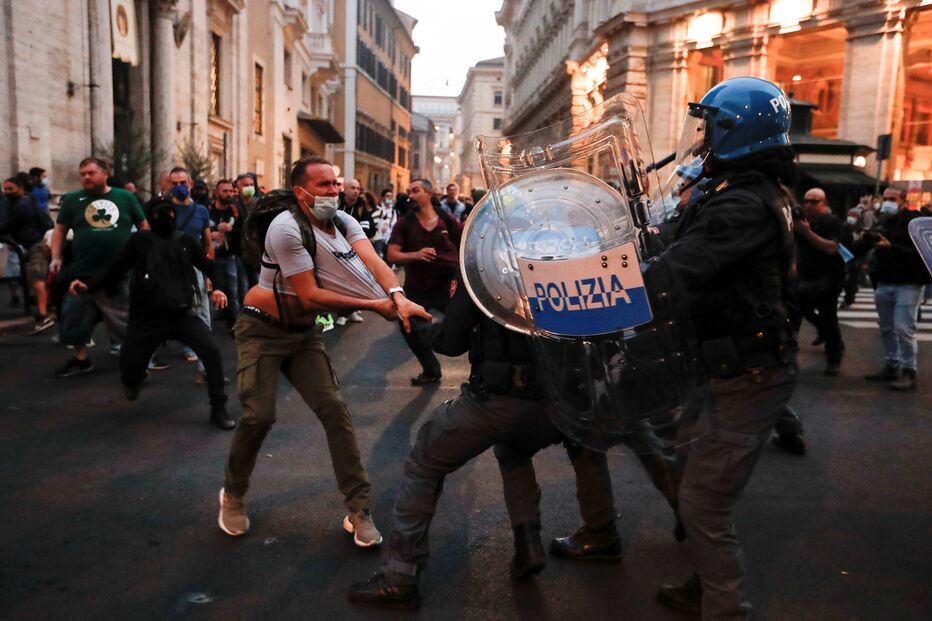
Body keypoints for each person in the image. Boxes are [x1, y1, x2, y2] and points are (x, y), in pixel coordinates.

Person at [348, 270, 619, 610]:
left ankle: (399, 578)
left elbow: (450, 341)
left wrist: (413, 321)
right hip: (566, 399)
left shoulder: (484, 265)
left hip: (501, 399)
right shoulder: (573, 259)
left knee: (424, 461)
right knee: (550, 446)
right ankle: (582, 535)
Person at [217, 155, 430, 545]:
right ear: (300, 193)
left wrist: (397, 296)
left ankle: (358, 509)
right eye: (324, 186)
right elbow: (312, 296)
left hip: (302, 335)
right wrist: (376, 306)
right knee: (259, 415)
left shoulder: (344, 220)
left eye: (335, 183)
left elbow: (374, 263)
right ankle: (233, 493)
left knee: (334, 410)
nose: (334, 191)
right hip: (261, 330)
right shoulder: (285, 229)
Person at [651, 77, 799, 619]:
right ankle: (704, 580)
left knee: (704, 502)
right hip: (719, 364)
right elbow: (671, 244)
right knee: (685, 467)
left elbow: (674, 270)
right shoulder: (738, 193)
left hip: (749, 372)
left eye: (710, 125)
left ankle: (724, 605)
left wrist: (598, 290)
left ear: (738, 130)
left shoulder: (743, 204)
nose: (702, 136)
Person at [67, 199, 235, 429]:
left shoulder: (185, 241)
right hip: (146, 318)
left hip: (181, 315)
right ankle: (132, 382)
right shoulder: (138, 242)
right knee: (131, 368)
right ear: (149, 216)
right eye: (159, 214)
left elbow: (211, 267)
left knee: (212, 354)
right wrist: (89, 286)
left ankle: (219, 409)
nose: (165, 217)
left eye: (169, 213)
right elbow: (115, 270)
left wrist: (218, 287)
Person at [50, 157, 148, 376]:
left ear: (105, 174)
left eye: (91, 173)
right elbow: (60, 230)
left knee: (124, 319)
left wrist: (145, 255)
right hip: (82, 273)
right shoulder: (73, 200)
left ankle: (138, 360)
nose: (86, 177)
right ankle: (80, 359)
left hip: (118, 273)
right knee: (75, 317)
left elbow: (143, 227)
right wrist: (55, 257)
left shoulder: (125, 197)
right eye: (82, 173)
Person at [387, 179, 461, 386]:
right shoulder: (405, 223)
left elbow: (463, 240)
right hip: (418, 287)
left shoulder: (446, 218)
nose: (410, 195)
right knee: (408, 326)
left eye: (415, 191)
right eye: (409, 191)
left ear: (428, 194)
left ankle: (484, 374)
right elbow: (392, 255)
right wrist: (416, 254)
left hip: (449, 286)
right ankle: (431, 371)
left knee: (469, 324)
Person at [862, 187, 930, 391]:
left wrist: (890, 247)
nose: (888, 202)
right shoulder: (884, 221)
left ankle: (909, 370)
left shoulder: (914, 222)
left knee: (903, 328)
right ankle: (892, 364)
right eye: (885, 198)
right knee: (886, 327)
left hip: (908, 283)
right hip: (885, 281)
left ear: (902, 201)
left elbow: (921, 253)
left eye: (892, 199)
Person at [795, 187, 845, 376]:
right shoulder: (804, 221)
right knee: (801, 311)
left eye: (814, 202)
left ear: (824, 203)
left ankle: (834, 358)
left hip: (827, 277)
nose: (808, 205)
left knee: (828, 317)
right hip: (805, 275)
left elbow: (832, 247)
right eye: (806, 201)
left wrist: (807, 232)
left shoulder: (831, 222)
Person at [1, 177, 54, 331]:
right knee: (38, 279)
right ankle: (45, 309)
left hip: (35, 244)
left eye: (10, 189)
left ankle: (43, 315)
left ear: (20, 188)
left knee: (37, 279)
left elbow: (7, 225)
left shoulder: (20, 205)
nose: (7, 192)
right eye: (5, 189)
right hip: (34, 243)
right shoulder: (27, 202)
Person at [209, 179, 243, 332]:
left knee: (232, 292)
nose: (229, 194)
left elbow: (245, 231)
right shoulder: (207, 210)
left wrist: (231, 229)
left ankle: (234, 325)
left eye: (231, 191)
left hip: (229, 257)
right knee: (209, 292)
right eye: (225, 191)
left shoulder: (236, 211)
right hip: (210, 258)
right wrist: (211, 235)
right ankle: (206, 326)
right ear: (217, 193)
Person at [371, 189, 397, 262]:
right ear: (382, 197)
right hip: (377, 240)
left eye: (391, 196)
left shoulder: (393, 211)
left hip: (388, 241)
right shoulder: (377, 209)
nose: (389, 198)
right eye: (387, 196)